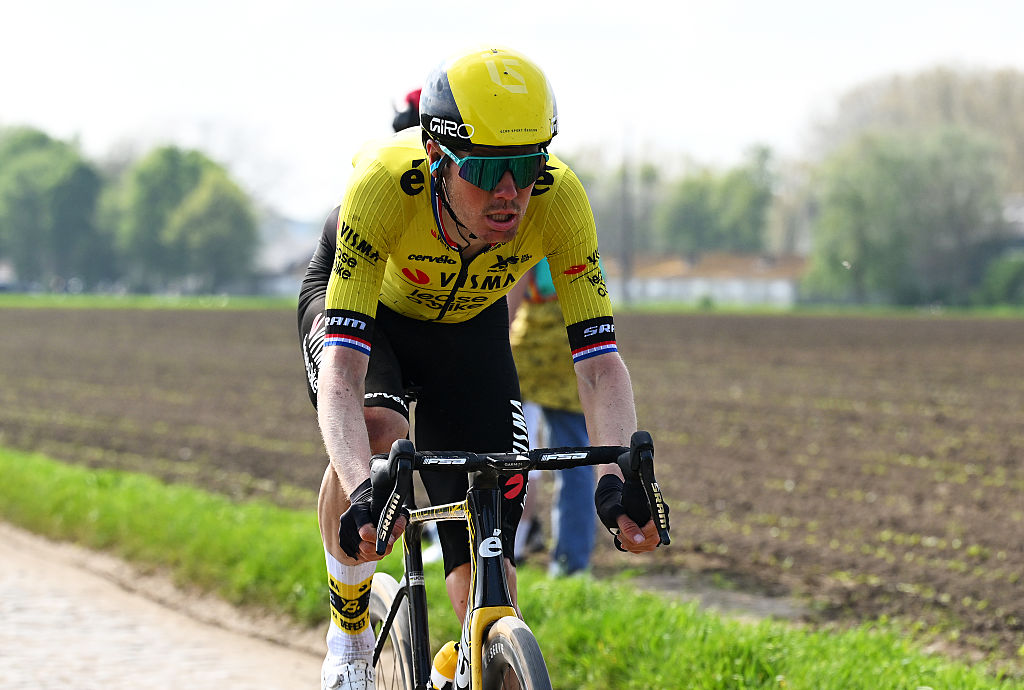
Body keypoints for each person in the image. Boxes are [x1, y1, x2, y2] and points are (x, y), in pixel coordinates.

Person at [298, 45, 665, 690]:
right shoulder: (383, 188)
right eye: (488, 168)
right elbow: (343, 376)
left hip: (467, 326)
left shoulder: (560, 200)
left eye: (526, 166)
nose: (509, 192)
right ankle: (349, 637)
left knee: (487, 534)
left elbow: (600, 366)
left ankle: (475, 660)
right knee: (380, 434)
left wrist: (617, 479)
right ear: (437, 156)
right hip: (371, 314)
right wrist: (361, 488)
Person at [507, 258, 597, 576]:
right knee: (574, 455)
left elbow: (512, 299)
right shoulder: (577, 233)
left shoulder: (531, 232)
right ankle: (572, 562)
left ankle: (502, 546)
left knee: (508, 449)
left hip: (532, 345)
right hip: (575, 341)